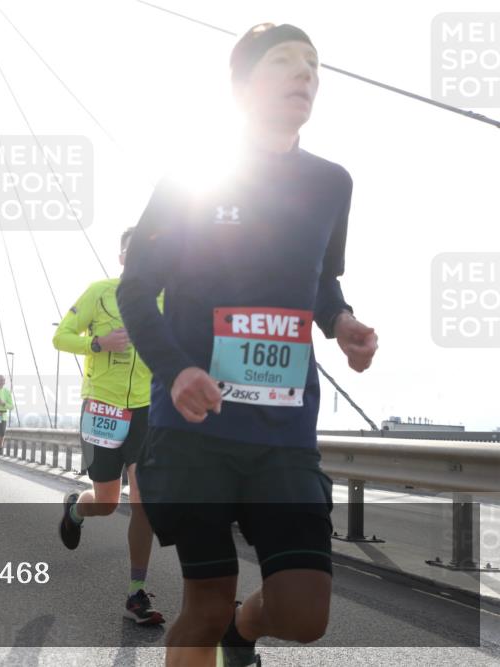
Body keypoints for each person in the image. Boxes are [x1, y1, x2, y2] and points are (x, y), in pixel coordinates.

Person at [117, 23, 378, 667]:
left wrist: (340, 321)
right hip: (196, 429)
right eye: (285, 62)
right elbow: (135, 289)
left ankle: (245, 630)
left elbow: (321, 276)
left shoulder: (331, 183)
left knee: (304, 614)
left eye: (313, 65)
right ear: (240, 87)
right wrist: (176, 369)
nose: (305, 75)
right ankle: (221, 626)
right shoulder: (191, 180)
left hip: (284, 432)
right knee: (202, 605)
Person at [52, 226, 164, 627]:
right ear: (121, 258)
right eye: (133, 252)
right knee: (107, 501)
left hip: (148, 411)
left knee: (144, 502)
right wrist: (97, 343)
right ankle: (76, 510)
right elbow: (61, 337)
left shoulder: (169, 300)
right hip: (102, 408)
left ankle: (136, 593)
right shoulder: (99, 292)